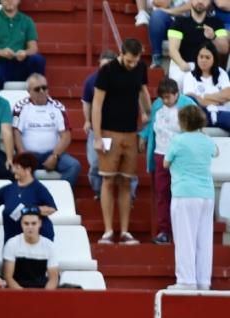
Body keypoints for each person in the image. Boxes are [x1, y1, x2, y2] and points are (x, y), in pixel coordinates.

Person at [92, 39, 151, 245]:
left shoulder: (141, 67)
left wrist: (147, 113)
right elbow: (97, 105)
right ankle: (108, 231)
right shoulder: (107, 71)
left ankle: (125, 231)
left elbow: (143, 92)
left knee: (126, 180)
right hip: (109, 131)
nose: (132, 64)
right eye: (129, 61)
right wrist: (98, 136)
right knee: (108, 180)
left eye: (135, 61)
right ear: (121, 54)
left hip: (130, 132)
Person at [165, 104, 218, 290]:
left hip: (185, 192)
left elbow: (166, 162)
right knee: (204, 239)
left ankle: (186, 280)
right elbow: (216, 152)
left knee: (185, 238)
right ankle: (204, 280)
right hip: (207, 194)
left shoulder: (178, 140)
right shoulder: (207, 139)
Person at [142, 78, 197, 244]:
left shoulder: (188, 104)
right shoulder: (157, 105)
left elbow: (196, 129)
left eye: (168, 97)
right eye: (163, 97)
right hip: (160, 154)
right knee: (162, 194)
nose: (165, 101)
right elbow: (151, 126)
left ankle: (182, 230)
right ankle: (164, 230)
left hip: (181, 158)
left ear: (176, 94)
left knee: (181, 194)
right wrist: (142, 137)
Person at [82, 50, 139, 202]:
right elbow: (87, 102)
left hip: (121, 129)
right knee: (95, 163)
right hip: (98, 129)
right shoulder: (91, 80)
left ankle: (131, 196)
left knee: (127, 167)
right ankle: (98, 191)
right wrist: (87, 120)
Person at [0, 151, 56, 242]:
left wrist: (32, 210)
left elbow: (52, 209)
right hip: (12, 240)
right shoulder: (9, 188)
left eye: (17, 168)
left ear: (28, 169)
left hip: (36, 240)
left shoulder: (39, 188)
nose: (13, 170)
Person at [11, 73, 81, 188]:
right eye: (37, 89)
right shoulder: (20, 107)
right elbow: (16, 133)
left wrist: (55, 156)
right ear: (29, 91)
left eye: (44, 88)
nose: (42, 91)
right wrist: (22, 155)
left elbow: (66, 135)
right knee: (15, 168)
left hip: (52, 153)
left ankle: (58, 197)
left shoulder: (58, 107)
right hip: (29, 154)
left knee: (74, 166)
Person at [0, 0, 44, 87]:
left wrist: (25, 53)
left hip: (20, 63)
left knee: (37, 60)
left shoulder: (27, 21)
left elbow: (33, 48)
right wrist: (0, 52)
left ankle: (36, 92)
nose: (10, 1)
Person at [167, 0, 228, 87]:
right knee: (179, 80)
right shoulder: (179, 22)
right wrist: (182, 64)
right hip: (185, 65)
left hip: (208, 67)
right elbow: (173, 49)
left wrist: (213, 37)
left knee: (223, 80)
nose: (200, 1)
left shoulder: (216, 23)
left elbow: (224, 49)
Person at [2, 207, 59, 289]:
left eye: (33, 223)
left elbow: (53, 278)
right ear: (21, 224)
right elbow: (8, 277)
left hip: (41, 291)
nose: (30, 227)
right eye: (26, 223)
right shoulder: (12, 243)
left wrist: (45, 296)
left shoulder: (49, 245)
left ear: (40, 223)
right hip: (17, 292)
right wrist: (24, 296)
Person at [182, 41, 230, 128]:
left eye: (207, 57)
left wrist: (206, 97)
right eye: (201, 57)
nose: (203, 60)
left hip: (221, 113)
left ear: (214, 59)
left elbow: (228, 95)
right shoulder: (189, 76)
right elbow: (192, 100)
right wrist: (219, 99)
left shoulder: (221, 73)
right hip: (201, 114)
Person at [145, 0, 191, 69]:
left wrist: (171, 11)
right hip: (166, 21)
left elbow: (192, 5)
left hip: (185, 21)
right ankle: (156, 56)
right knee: (157, 15)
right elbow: (160, 3)